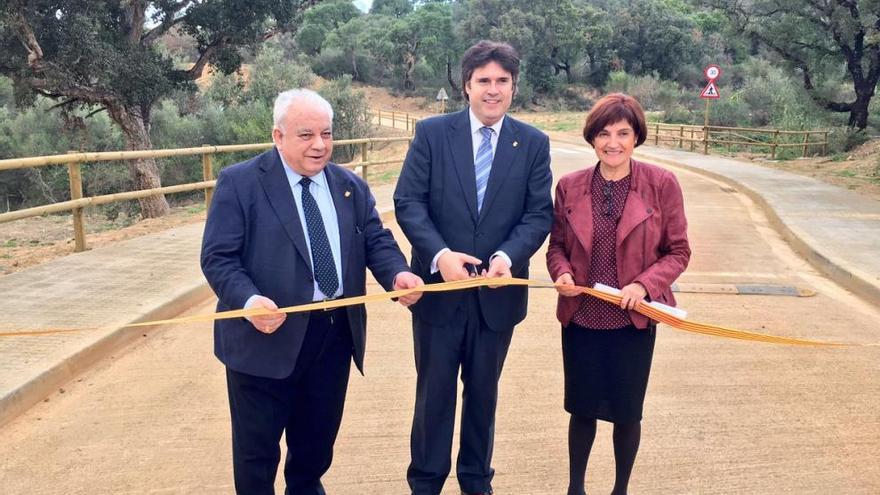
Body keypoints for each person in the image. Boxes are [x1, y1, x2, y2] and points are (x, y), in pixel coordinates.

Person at [200, 88, 424, 495]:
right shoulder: (240, 183)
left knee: (314, 450)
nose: (320, 145)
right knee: (256, 456)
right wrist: (249, 302)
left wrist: (398, 276)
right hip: (263, 340)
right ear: (277, 135)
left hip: (332, 337)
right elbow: (218, 258)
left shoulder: (349, 186)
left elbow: (375, 239)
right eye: (306, 135)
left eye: (327, 134)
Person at [394, 40, 553, 495]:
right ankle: (425, 482)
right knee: (434, 398)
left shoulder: (533, 143)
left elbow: (538, 214)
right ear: (466, 85)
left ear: (513, 88)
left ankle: (476, 481)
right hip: (438, 296)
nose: (492, 89)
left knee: (483, 396)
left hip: (496, 299)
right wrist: (440, 256)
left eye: (502, 81)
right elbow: (409, 202)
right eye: (483, 80)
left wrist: (507, 257)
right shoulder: (431, 134)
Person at [546, 93, 691, 495]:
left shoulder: (661, 185)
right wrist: (562, 273)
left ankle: (620, 489)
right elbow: (556, 246)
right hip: (581, 318)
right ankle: (576, 487)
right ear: (592, 138)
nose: (613, 142)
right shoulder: (570, 187)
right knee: (582, 409)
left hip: (633, 318)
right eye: (604, 133)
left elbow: (679, 251)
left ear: (636, 137)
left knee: (627, 413)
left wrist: (644, 284)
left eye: (623, 133)